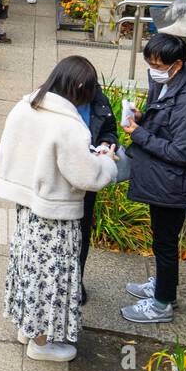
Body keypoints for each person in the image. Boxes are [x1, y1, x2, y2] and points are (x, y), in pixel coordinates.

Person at [0, 56, 120, 362]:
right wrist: (107, 161)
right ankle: (42, 342)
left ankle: (27, 328)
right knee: (51, 278)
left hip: (28, 207)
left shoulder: (25, 106)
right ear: (78, 87)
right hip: (55, 213)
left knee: (29, 270)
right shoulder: (67, 125)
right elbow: (87, 176)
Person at [121, 34, 186, 324]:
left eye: (157, 65)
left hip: (172, 183)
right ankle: (165, 287)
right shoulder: (170, 84)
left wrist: (139, 133)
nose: (152, 69)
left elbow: (181, 152)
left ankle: (162, 304)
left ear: (177, 64)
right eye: (149, 63)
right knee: (163, 240)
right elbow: (166, 126)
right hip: (164, 180)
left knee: (164, 242)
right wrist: (143, 118)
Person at [78, 82, 120, 306]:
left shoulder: (97, 100)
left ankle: (76, 280)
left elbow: (109, 131)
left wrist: (105, 144)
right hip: (58, 185)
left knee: (82, 233)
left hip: (87, 181)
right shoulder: (52, 104)